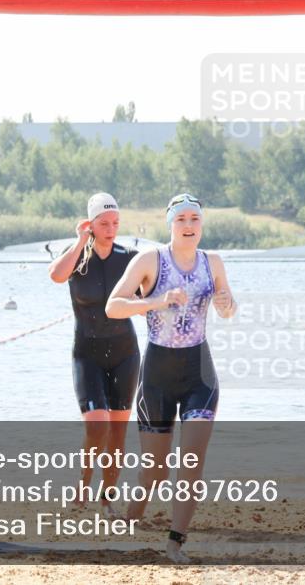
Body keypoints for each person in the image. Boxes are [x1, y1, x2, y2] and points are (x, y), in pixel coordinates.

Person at [106, 193, 238, 564]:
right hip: (157, 378)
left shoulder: (213, 262)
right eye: (181, 219)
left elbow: (228, 307)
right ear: (170, 224)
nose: (188, 225)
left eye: (195, 218)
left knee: (191, 463)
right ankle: (132, 516)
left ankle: (175, 542)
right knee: (155, 472)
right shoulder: (150, 260)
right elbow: (113, 306)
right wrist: (157, 301)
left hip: (199, 375)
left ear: (202, 224)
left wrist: (227, 305)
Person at [49, 192, 139, 514]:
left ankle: (107, 499)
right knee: (97, 427)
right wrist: (80, 241)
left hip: (125, 353)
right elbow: (56, 276)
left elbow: (148, 291)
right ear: (90, 224)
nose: (111, 229)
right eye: (104, 224)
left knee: (117, 432)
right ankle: (82, 488)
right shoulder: (77, 256)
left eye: (116, 223)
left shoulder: (128, 258)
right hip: (87, 353)